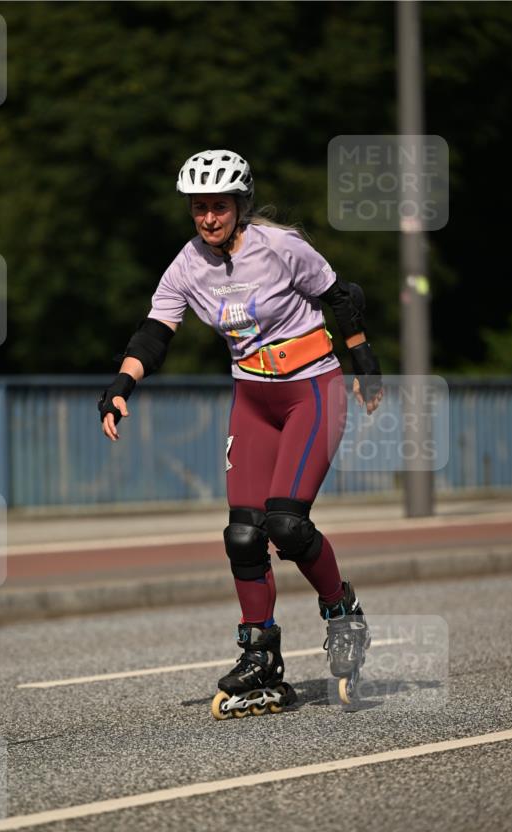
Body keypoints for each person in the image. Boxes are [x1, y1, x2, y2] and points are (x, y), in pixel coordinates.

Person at [99, 149, 383, 718]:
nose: (208, 218)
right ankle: (260, 654)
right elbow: (155, 331)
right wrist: (121, 385)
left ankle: (341, 613)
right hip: (253, 398)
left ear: (240, 205)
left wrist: (363, 361)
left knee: (287, 524)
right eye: (198, 208)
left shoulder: (281, 247)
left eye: (219, 207)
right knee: (244, 535)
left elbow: (340, 296)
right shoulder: (187, 265)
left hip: (312, 390)